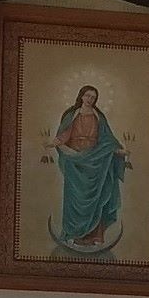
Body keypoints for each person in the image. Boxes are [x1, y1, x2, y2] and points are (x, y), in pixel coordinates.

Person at [46, 85, 128, 247]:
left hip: (96, 163)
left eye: (93, 97)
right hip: (75, 163)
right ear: (81, 96)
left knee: (97, 199)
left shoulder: (99, 117)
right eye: (87, 96)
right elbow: (63, 136)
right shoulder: (72, 115)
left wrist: (119, 151)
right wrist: (55, 142)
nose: (90, 99)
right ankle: (73, 234)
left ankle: (94, 237)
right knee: (74, 200)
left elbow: (107, 140)